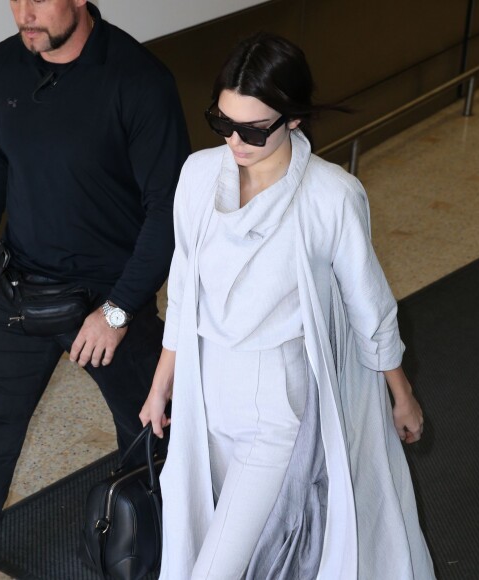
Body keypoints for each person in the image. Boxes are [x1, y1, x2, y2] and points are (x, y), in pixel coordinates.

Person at [140, 32, 436, 579]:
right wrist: (161, 387)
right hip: (206, 395)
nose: (235, 140)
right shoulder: (198, 176)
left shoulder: (331, 196)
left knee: (212, 569)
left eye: (253, 129)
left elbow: (368, 306)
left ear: (293, 119)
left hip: (274, 407)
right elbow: (183, 288)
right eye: (221, 121)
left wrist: (402, 395)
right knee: (236, 546)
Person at [0, 1, 190, 578]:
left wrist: (119, 310)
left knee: (155, 436)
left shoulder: (139, 79)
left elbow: (167, 212)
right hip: (20, 287)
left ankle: (164, 563)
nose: (24, 12)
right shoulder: (1, 66)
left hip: (109, 294)